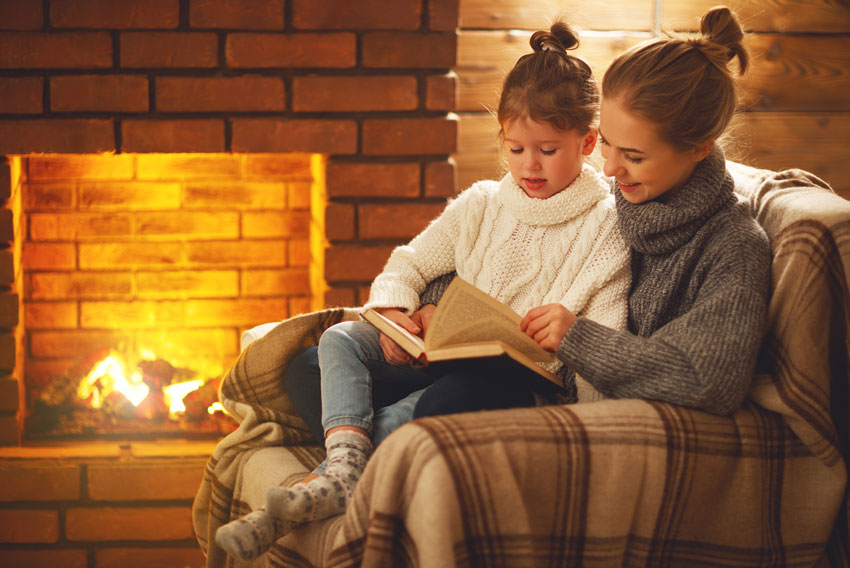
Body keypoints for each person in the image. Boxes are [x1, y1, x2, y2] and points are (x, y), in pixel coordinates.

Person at [215, 22, 631, 560]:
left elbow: (604, 331)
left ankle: (331, 476)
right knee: (318, 358)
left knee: (441, 401)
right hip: (440, 353)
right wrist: (396, 310)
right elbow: (411, 262)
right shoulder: (482, 202)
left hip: (512, 380)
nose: (529, 165)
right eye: (516, 147)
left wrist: (575, 384)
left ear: (589, 142)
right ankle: (348, 462)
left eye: (548, 150)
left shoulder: (605, 224)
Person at [414, 5, 771, 421]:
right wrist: (435, 302)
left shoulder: (733, 246)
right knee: (323, 359)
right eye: (607, 144)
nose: (610, 169)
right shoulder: (618, 198)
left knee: (442, 403)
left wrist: (578, 340)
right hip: (500, 370)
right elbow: (505, 252)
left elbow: (710, 380)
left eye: (634, 156)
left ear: (699, 148)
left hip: (576, 404)